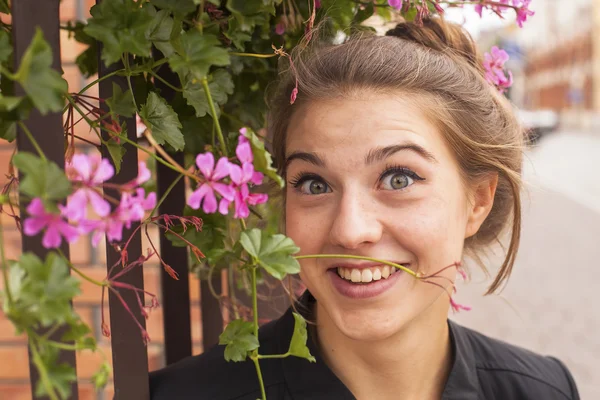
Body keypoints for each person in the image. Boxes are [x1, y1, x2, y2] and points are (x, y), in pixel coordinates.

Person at [150, 17, 580, 400]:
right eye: (314, 184)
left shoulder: (543, 390)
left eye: (399, 179)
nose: (351, 230)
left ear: (478, 201)